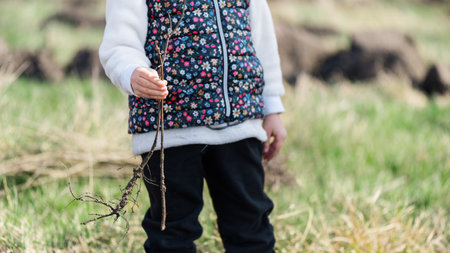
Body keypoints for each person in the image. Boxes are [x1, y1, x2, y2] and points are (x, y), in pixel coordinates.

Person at [99, 0, 286, 252]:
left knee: (250, 225)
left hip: (240, 125)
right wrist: (133, 72)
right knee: (172, 229)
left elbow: (262, 41)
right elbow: (119, 44)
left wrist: (271, 107)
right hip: (170, 130)